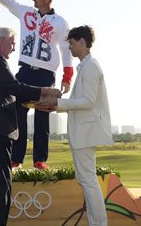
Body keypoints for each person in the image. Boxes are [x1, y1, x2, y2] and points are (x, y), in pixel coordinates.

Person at [0, 0, 74, 170]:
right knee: (18, 113)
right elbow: (7, 0)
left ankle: (40, 160)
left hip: (47, 72)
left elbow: (66, 51)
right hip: (25, 70)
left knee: (42, 116)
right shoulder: (26, 12)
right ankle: (16, 158)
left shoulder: (61, 23)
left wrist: (67, 77)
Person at [0, 27, 61, 226]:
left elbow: (11, 92)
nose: (14, 48)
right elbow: (15, 88)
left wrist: (31, 99)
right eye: (12, 43)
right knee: (1, 185)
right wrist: (45, 92)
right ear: (2, 41)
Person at [37, 25, 113, 226]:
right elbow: (81, 101)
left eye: (71, 43)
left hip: (85, 133)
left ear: (82, 42)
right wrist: (56, 107)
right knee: (87, 181)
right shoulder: (86, 66)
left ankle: (99, 224)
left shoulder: (91, 66)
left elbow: (88, 101)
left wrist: (58, 104)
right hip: (83, 132)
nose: (69, 48)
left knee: (89, 182)